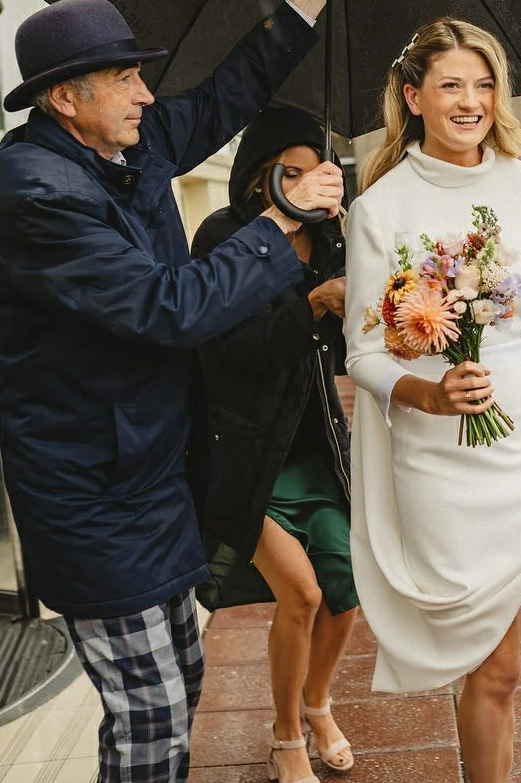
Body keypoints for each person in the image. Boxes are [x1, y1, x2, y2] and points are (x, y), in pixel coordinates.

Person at [0, 0, 352, 783]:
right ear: (65, 97)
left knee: (176, 689)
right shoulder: (37, 193)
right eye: (124, 78)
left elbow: (226, 97)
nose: (146, 95)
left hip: (152, 480)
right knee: (151, 715)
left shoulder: (123, 145)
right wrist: (284, 219)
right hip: (93, 502)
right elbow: (167, 308)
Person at [344, 18, 521, 783]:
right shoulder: (379, 209)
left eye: (483, 84)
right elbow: (365, 352)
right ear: (413, 97)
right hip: (443, 461)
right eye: (450, 86)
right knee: (493, 672)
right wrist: (428, 393)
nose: (470, 101)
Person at [191, 106, 358, 782]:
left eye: (316, 172)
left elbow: (345, 357)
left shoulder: (332, 239)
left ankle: (317, 703)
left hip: (316, 445)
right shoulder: (224, 236)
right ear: (261, 176)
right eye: (289, 173)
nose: (305, 185)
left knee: (347, 591)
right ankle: (287, 734)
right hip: (249, 454)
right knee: (303, 594)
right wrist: (314, 304)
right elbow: (235, 352)